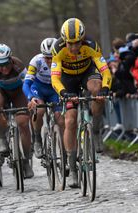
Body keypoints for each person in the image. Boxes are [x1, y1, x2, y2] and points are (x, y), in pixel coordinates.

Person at [51, 18, 112, 187]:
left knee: (97, 89)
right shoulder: (57, 48)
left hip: (87, 73)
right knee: (70, 121)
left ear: (82, 39)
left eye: (77, 43)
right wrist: (63, 92)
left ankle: (97, 129)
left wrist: (105, 88)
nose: (73, 47)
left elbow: (105, 72)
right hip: (67, 79)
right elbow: (55, 78)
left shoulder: (91, 45)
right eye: (69, 43)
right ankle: (72, 166)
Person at [0, 43, 34, 178]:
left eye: (6, 63)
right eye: (0, 65)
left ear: (11, 59)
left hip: (19, 92)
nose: (4, 68)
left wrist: (30, 99)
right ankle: (2, 138)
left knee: (23, 123)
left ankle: (25, 161)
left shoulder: (18, 65)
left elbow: (27, 84)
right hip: (2, 92)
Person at [23, 38, 64, 159]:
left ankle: (64, 149)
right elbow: (26, 84)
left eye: (52, 57)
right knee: (39, 110)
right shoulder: (36, 61)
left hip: (54, 90)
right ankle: (37, 138)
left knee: (60, 119)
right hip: (39, 88)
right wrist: (31, 97)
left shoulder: (63, 59)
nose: (50, 60)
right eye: (47, 57)